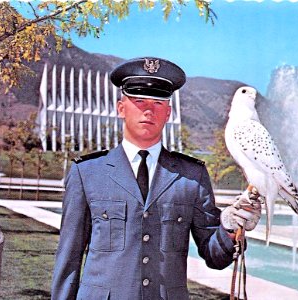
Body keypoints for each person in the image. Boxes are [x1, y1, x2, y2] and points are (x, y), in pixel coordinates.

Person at [51, 57, 262, 300]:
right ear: (121, 108)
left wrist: (230, 226)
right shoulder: (87, 172)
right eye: (139, 101)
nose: (148, 110)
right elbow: (68, 260)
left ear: (168, 113)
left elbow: (214, 256)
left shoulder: (191, 176)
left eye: (158, 102)